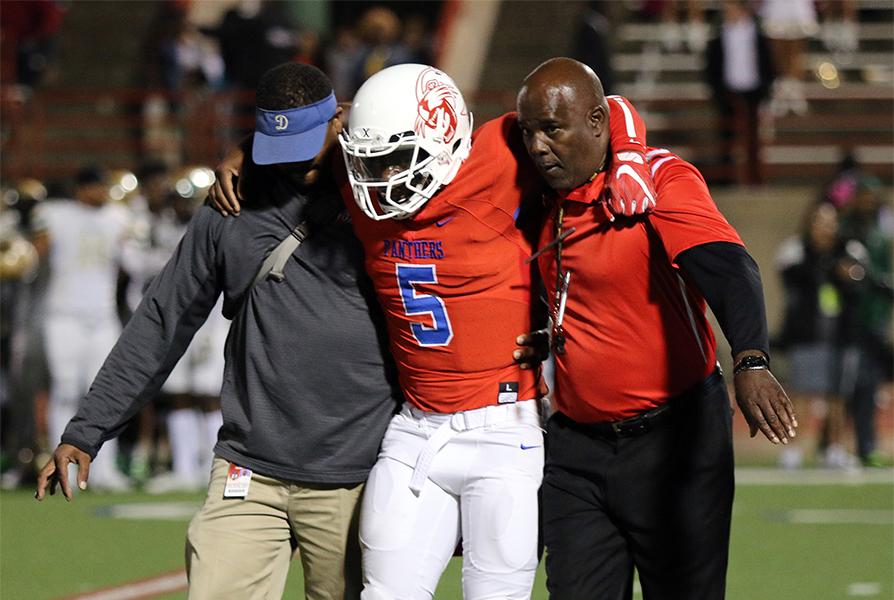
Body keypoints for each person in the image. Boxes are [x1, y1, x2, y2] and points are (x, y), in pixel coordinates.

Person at [209, 63, 656, 599]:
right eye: (369, 160)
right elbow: (315, 129)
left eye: (395, 158)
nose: (379, 177)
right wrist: (245, 149)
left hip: (504, 427)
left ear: (445, 132)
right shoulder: (357, 170)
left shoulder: (499, 153)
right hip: (415, 428)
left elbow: (606, 106)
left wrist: (629, 156)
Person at [36, 62, 403, 600]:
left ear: (340, 119)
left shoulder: (386, 193)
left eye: (306, 140)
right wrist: (87, 430)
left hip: (356, 470)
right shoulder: (229, 206)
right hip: (248, 467)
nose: (294, 161)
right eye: (279, 143)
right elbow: (163, 320)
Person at [515, 57, 796, 599]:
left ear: (598, 124)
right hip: (575, 448)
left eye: (552, 130)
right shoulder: (536, 189)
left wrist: (752, 359)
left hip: (676, 441)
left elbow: (729, 266)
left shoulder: (659, 180)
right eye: (530, 132)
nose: (538, 146)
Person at [32, 166, 135, 492]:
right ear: (80, 188)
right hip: (62, 314)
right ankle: (60, 468)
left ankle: (104, 471)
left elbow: (129, 264)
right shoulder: (55, 214)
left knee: (105, 393)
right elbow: (33, 255)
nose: (102, 192)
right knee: (65, 388)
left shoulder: (119, 216)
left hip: (102, 314)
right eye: (95, 186)